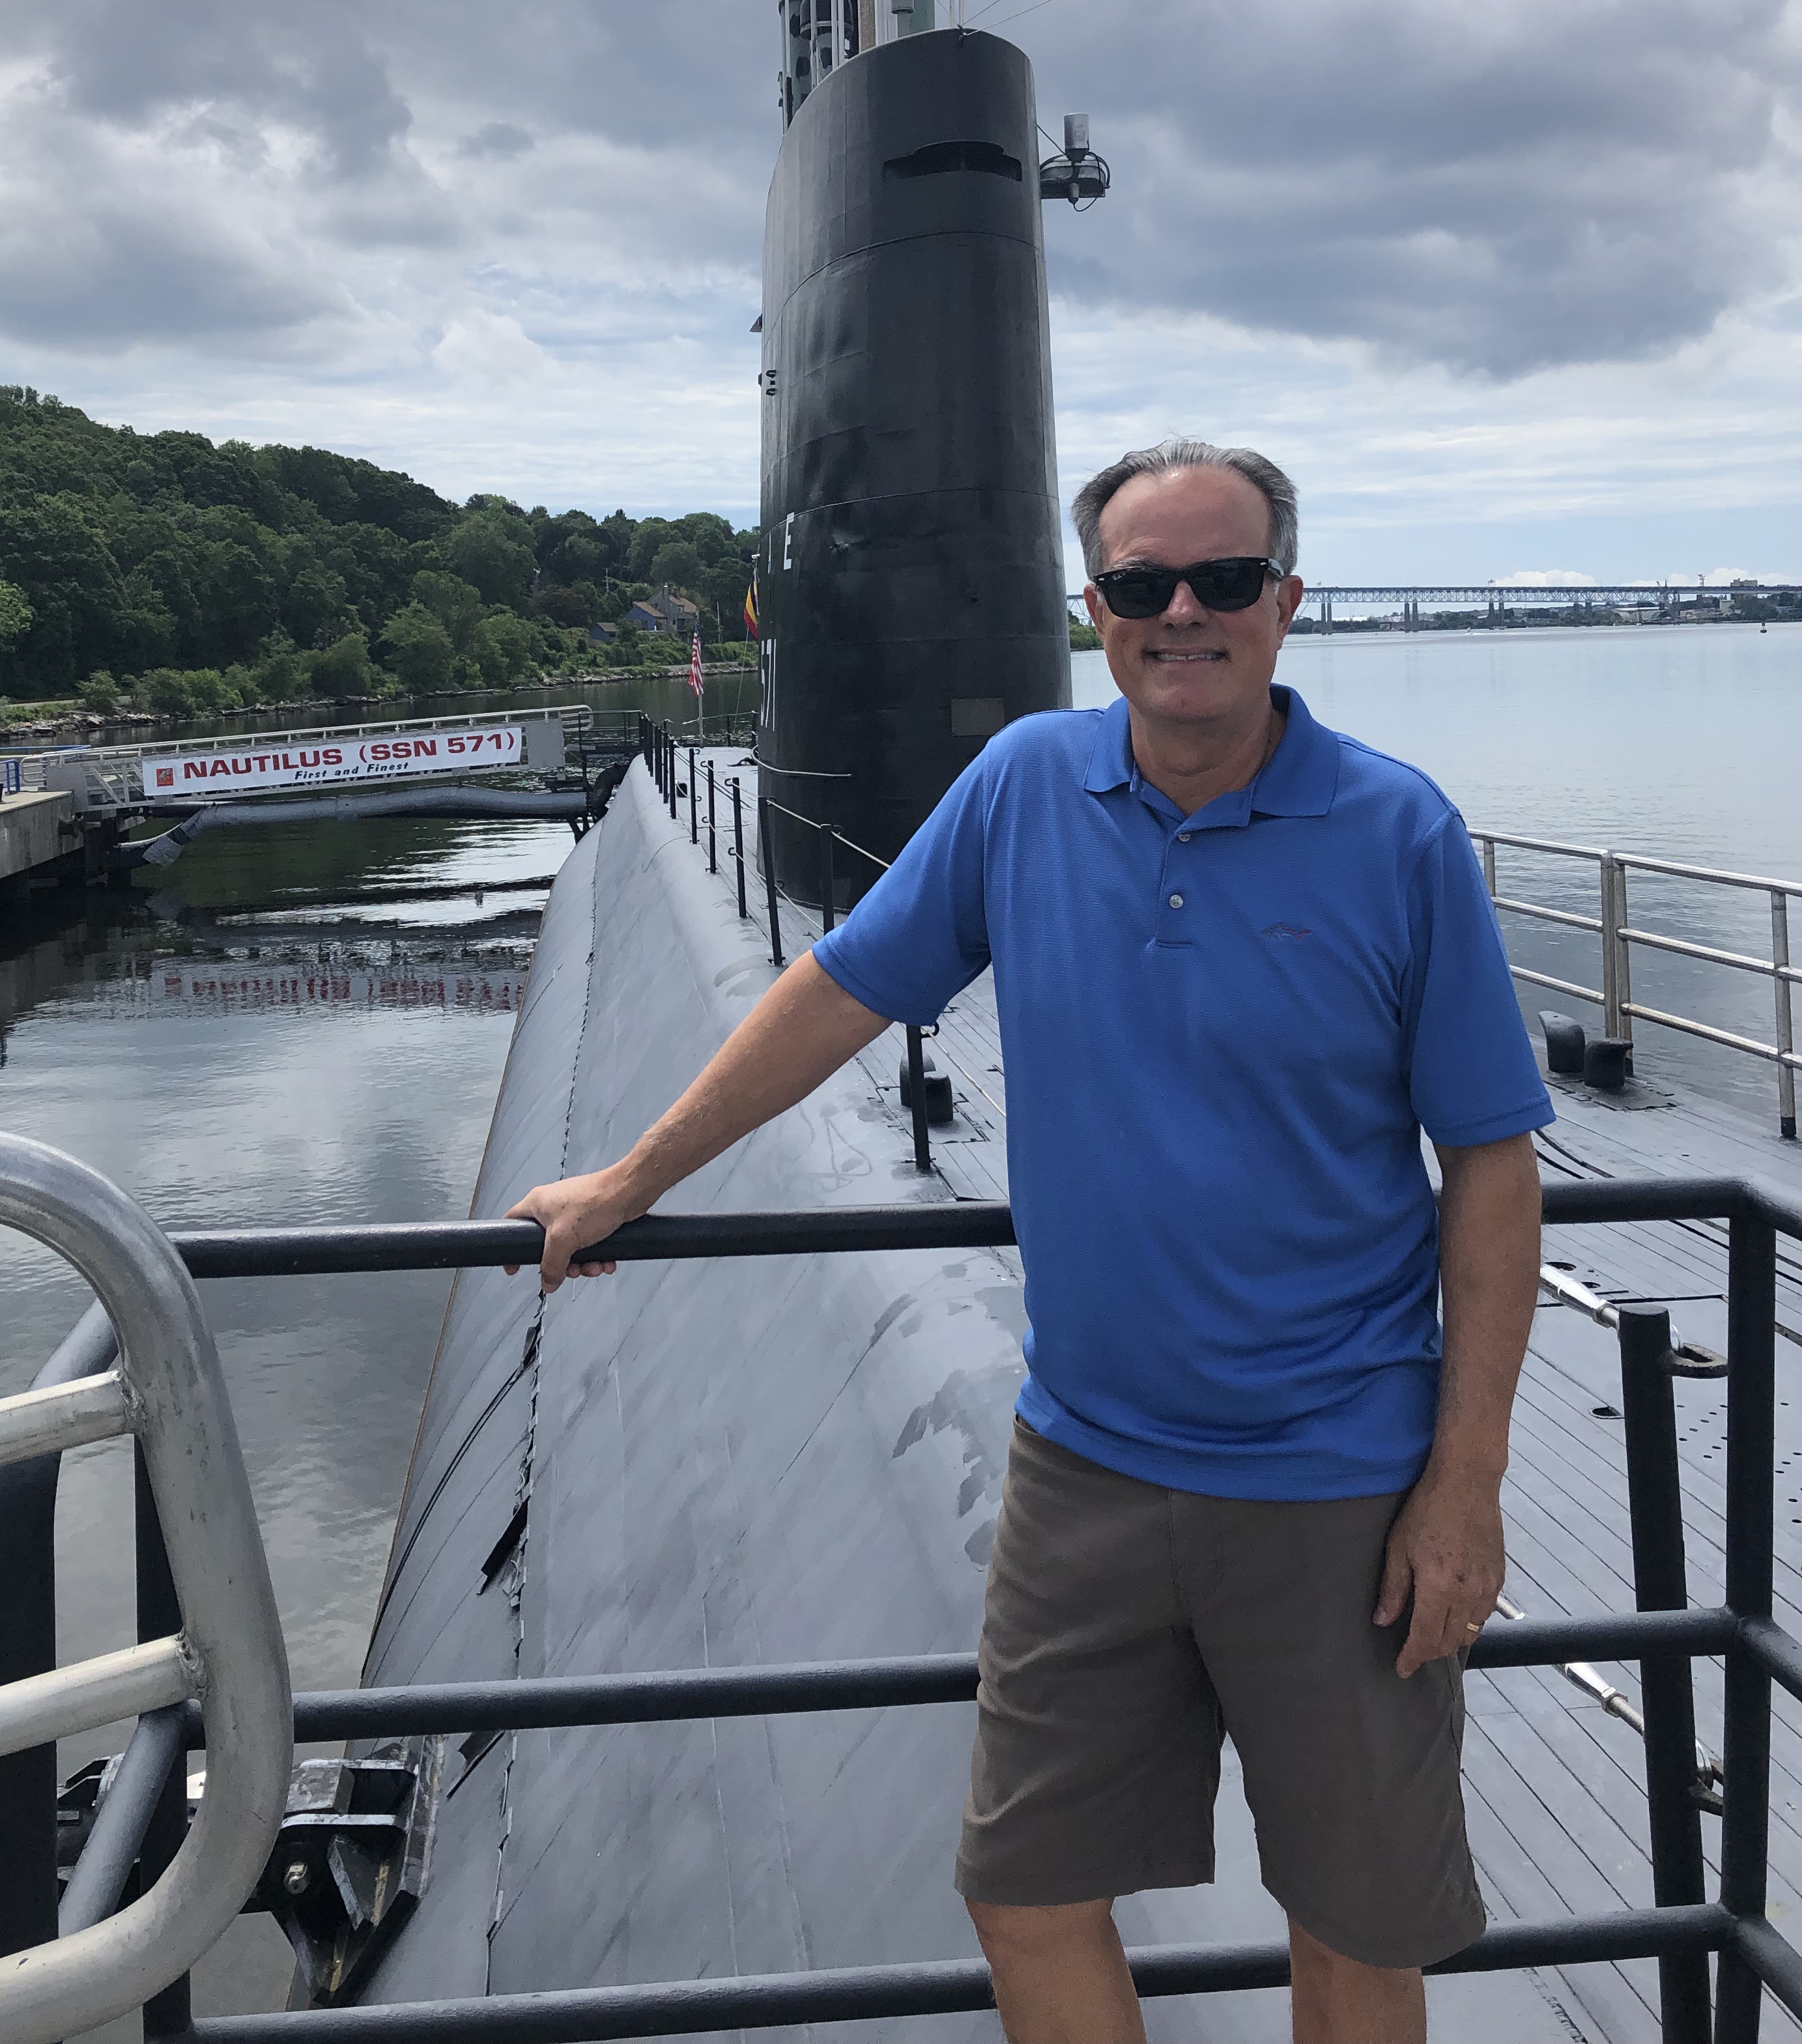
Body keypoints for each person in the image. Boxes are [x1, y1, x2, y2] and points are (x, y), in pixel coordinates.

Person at [505, 436, 1551, 2044]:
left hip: (1336, 1475)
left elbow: (1490, 1157)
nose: (1182, 613)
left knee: (1354, 1929)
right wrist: (630, 1179)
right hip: (1088, 1463)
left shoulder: (1397, 833)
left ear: (1287, 601)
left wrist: (1464, 1479)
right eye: (1143, 584)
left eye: (1223, 580)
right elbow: (840, 990)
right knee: (1025, 1892)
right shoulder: (1023, 787)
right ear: (1095, 607)